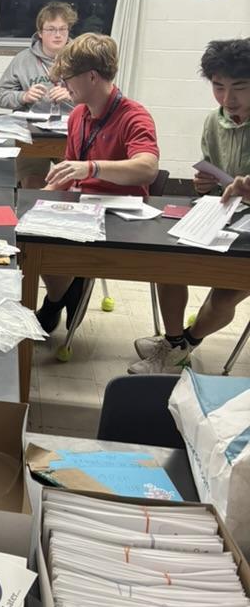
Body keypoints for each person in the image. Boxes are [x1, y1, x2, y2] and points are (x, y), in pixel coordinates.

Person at [129, 38, 250, 374]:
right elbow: (215, 175)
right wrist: (207, 184)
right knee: (166, 260)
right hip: (225, 215)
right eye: (219, 87)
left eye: (240, 88)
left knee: (225, 295)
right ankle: (174, 343)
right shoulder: (215, 121)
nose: (228, 99)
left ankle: (182, 346)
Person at [36, 33, 160, 334]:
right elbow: (69, 172)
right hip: (81, 207)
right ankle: (61, 294)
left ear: (92, 76)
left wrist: (92, 168)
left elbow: (148, 168)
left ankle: (55, 301)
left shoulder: (134, 116)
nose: (64, 85)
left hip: (120, 216)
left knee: (58, 247)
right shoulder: (78, 114)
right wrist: (39, 199)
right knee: (32, 239)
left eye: (68, 78)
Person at [0, 0, 77, 187]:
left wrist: (72, 95)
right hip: (32, 133)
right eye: (51, 29)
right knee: (32, 182)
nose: (58, 35)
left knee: (72, 182)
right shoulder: (23, 59)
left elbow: (99, 97)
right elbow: (1, 96)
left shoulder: (81, 58)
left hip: (71, 132)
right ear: (40, 33)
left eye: (62, 29)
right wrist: (23, 97)